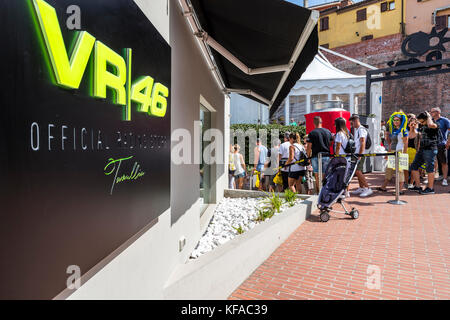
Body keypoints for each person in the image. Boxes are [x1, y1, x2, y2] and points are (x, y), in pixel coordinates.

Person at [409, 111, 440, 194]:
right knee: (414, 166)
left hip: (430, 149)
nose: (421, 123)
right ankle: (418, 186)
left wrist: (429, 116)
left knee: (429, 168)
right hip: (422, 149)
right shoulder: (422, 126)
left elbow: (430, 125)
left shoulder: (435, 124)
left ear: (427, 119)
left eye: (422, 121)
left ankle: (430, 188)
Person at [377, 112, 408, 194]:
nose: (396, 121)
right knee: (389, 169)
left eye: (397, 120)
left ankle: (400, 190)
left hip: (400, 152)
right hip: (393, 152)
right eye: (394, 120)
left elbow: (406, 143)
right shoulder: (394, 130)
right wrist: (389, 152)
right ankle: (383, 187)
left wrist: (404, 155)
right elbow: (391, 143)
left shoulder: (404, 130)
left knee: (400, 171)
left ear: (401, 121)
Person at [306, 116, 333, 194]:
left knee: (317, 175)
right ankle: (325, 191)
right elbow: (331, 143)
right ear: (321, 122)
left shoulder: (312, 133)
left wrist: (308, 157)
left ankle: (319, 193)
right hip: (326, 155)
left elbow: (309, 147)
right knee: (325, 174)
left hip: (315, 156)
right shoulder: (327, 131)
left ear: (314, 123)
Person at [349, 114, 373, 197]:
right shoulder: (358, 129)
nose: (352, 125)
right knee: (357, 171)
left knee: (358, 171)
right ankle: (361, 187)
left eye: (352, 123)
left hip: (360, 154)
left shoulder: (361, 129)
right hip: (357, 153)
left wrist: (359, 154)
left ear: (356, 121)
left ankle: (367, 188)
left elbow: (363, 142)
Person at [430, 107, 450, 186]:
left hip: (441, 144)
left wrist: (448, 142)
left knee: (444, 162)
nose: (431, 113)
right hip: (431, 144)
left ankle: (445, 179)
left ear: (438, 112)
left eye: (432, 112)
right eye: (431, 112)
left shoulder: (444, 120)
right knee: (433, 161)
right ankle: (434, 176)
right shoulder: (431, 121)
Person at [334, 117, 351, 197]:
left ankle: (341, 193)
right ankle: (347, 192)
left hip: (340, 157)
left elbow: (338, 146)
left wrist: (336, 156)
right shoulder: (345, 133)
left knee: (340, 176)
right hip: (347, 157)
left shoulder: (339, 133)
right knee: (346, 175)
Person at [405, 114, 419, 188]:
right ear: (409, 124)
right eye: (411, 124)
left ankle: (411, 183)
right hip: (407, 152)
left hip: (414, 152)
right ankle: (407, 182)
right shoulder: (406, 133)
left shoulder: (418, 134)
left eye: (414, 124)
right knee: (406, 169)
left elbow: (418, 146)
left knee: (413, 169)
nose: (413, 125)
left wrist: (417, 153)